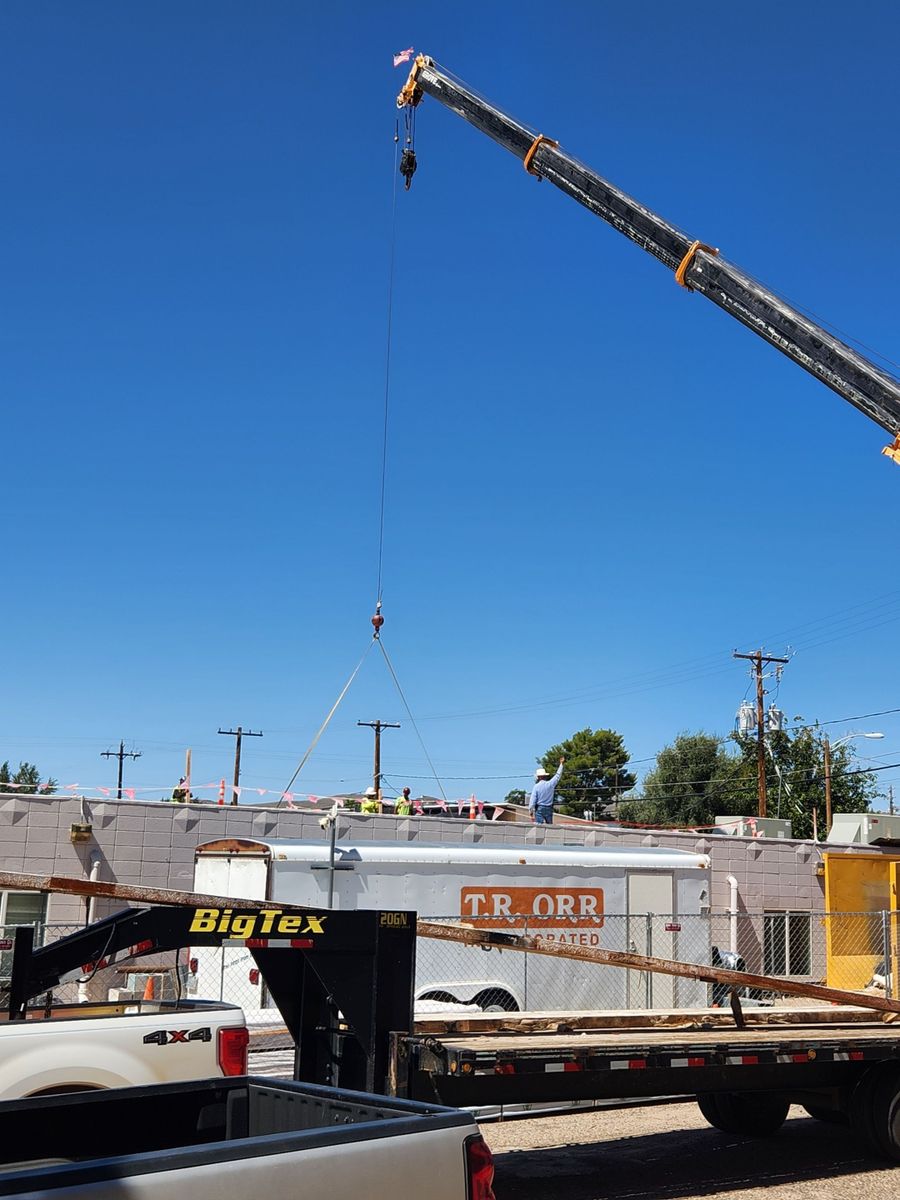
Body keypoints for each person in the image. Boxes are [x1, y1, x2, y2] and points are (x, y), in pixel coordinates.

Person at [529, 758, 565, 824]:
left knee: (539, 827)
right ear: (545, 776)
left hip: (540, 808)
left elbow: (532, 800)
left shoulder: (536, 787)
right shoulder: (550, 784)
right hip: (549, 808)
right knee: (549, 827)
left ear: (538, 777)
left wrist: (531, 812)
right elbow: (558, 776)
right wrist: (561, 764)